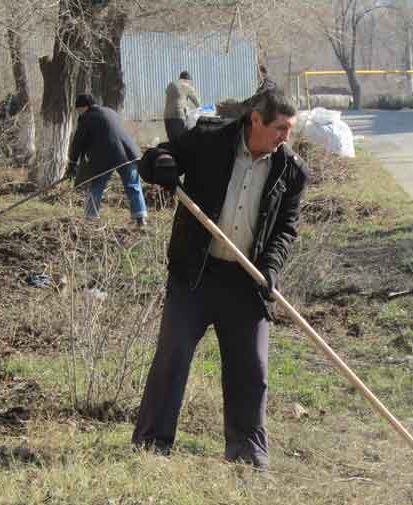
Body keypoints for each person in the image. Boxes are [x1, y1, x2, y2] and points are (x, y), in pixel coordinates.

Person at [132, 88, 308, 471]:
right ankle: (151, 444)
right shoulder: (210, 140)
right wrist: (162, 164)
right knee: (172, 359)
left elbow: (285, 230)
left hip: (246, 281)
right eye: (280, 128)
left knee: (251, 370)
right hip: (194, 274)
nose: (285, 137)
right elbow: (154, 158)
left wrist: (271, 268)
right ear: (255, 120)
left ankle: (247, 455)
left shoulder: (290, 170)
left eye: (290, 130)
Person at [66, 94, 148, 226]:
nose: (78, 113)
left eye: (78, 110)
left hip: (105, 157)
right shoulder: (111, 112)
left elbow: (78, 142)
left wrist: (72, 163)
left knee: (96, 186)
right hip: (128, 153)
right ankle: (140, 218)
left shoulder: (86, 117)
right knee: (133, 185)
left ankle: (90, 218)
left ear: (84, 107)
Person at [164, 71, 201, 141]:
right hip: (178, 117)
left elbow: (171, 95)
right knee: (181, 140)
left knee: (172, 141)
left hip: (167, 117)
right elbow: (197, 103)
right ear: (188, 80)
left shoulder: (170, 84)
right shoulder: (187, 86)